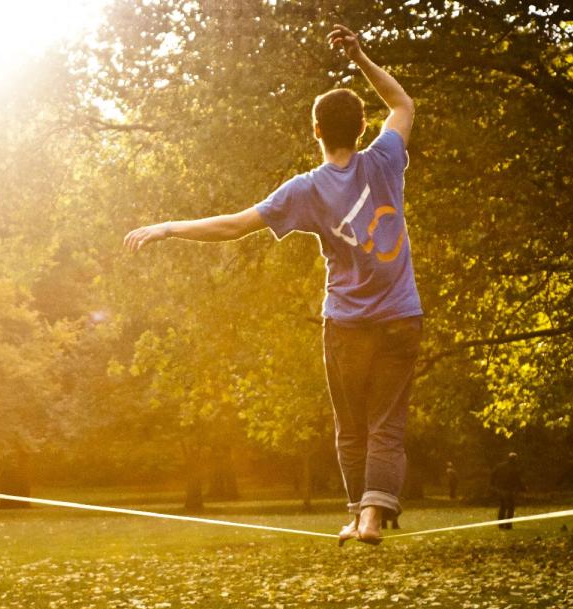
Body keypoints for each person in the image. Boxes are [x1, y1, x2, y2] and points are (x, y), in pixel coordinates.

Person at [124, 24, 420, 546]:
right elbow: (402, 102)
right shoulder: (386, 158)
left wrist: (170, 227)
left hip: (348, 324)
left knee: (352, 426)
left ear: (315, 131)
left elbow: (235, 225)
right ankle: (370, 519)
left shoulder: (305, 190)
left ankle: (360, 516)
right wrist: (361, 57)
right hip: (401, 316)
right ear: (362, 127)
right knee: (386, 425)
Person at [490, 452, 525, 530]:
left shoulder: (500, 466)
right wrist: (523, 488)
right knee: (510, 507)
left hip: (500, 489)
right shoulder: (514, 468)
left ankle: (500, 525)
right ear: (515, 459)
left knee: (502, 507)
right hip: (509, 490)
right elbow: (517, 480)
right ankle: (508, 525)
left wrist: (492, 485)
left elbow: (493, 474)